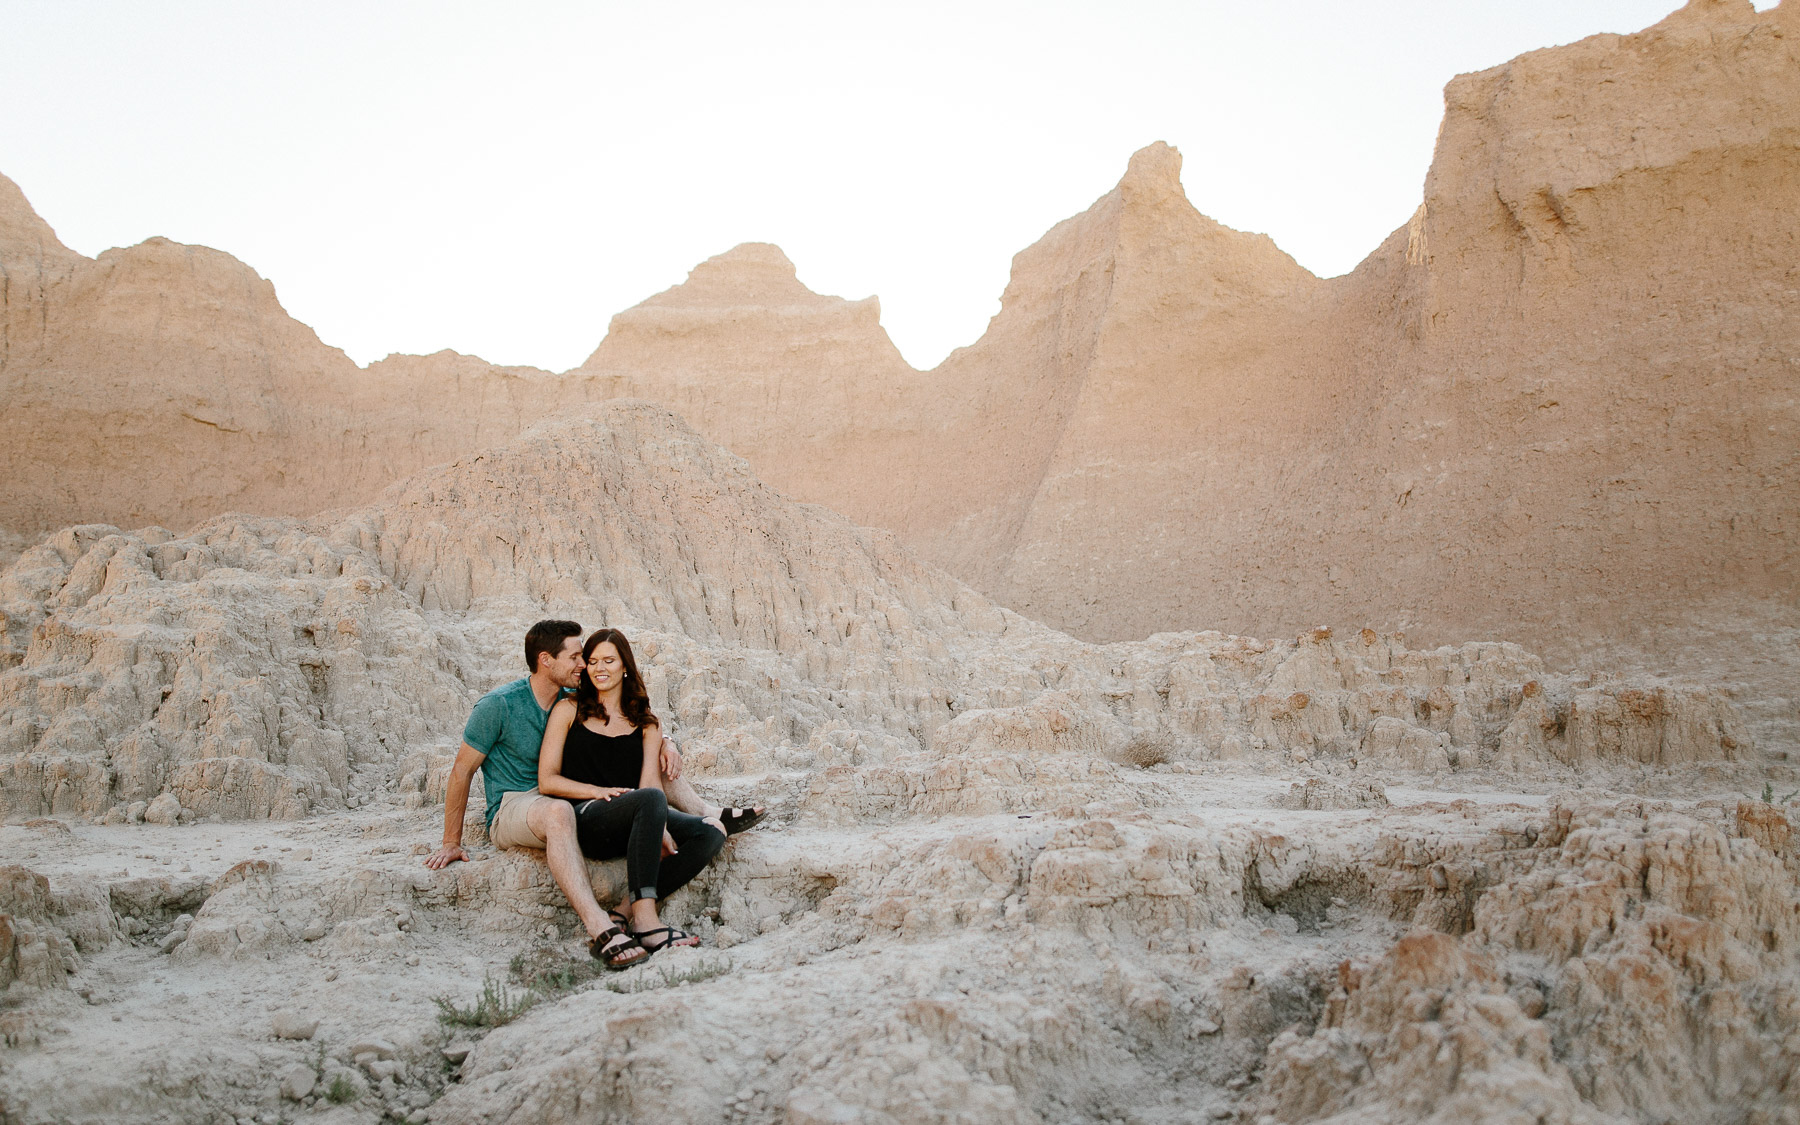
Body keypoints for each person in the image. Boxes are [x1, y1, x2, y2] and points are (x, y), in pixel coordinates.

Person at [422, 620, 763, 967]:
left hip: (579, 801)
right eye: (577, 657)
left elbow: (630, 721)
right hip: (519, 802)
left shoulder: (573, 696)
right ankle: (603, 925)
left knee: (700, 824)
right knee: (564, 811)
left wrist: (666, 741)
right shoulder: (500, 706)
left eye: (594, 659)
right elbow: (463, 771)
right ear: (546, 660)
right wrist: (451, 841)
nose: (585, 665)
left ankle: (624, 911)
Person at [537, 628, 724, 961]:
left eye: (609, 660)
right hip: (587, 818)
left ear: (625, 666)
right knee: (650, 801)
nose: (599, 668)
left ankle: (625, 911)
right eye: (592, 661)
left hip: (635, 815)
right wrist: (597, 791)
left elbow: (650, 783)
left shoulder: (647, 723)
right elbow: (547, 780)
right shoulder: (569, 709)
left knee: (711, 831)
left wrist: (659, 827)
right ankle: (648, 922)